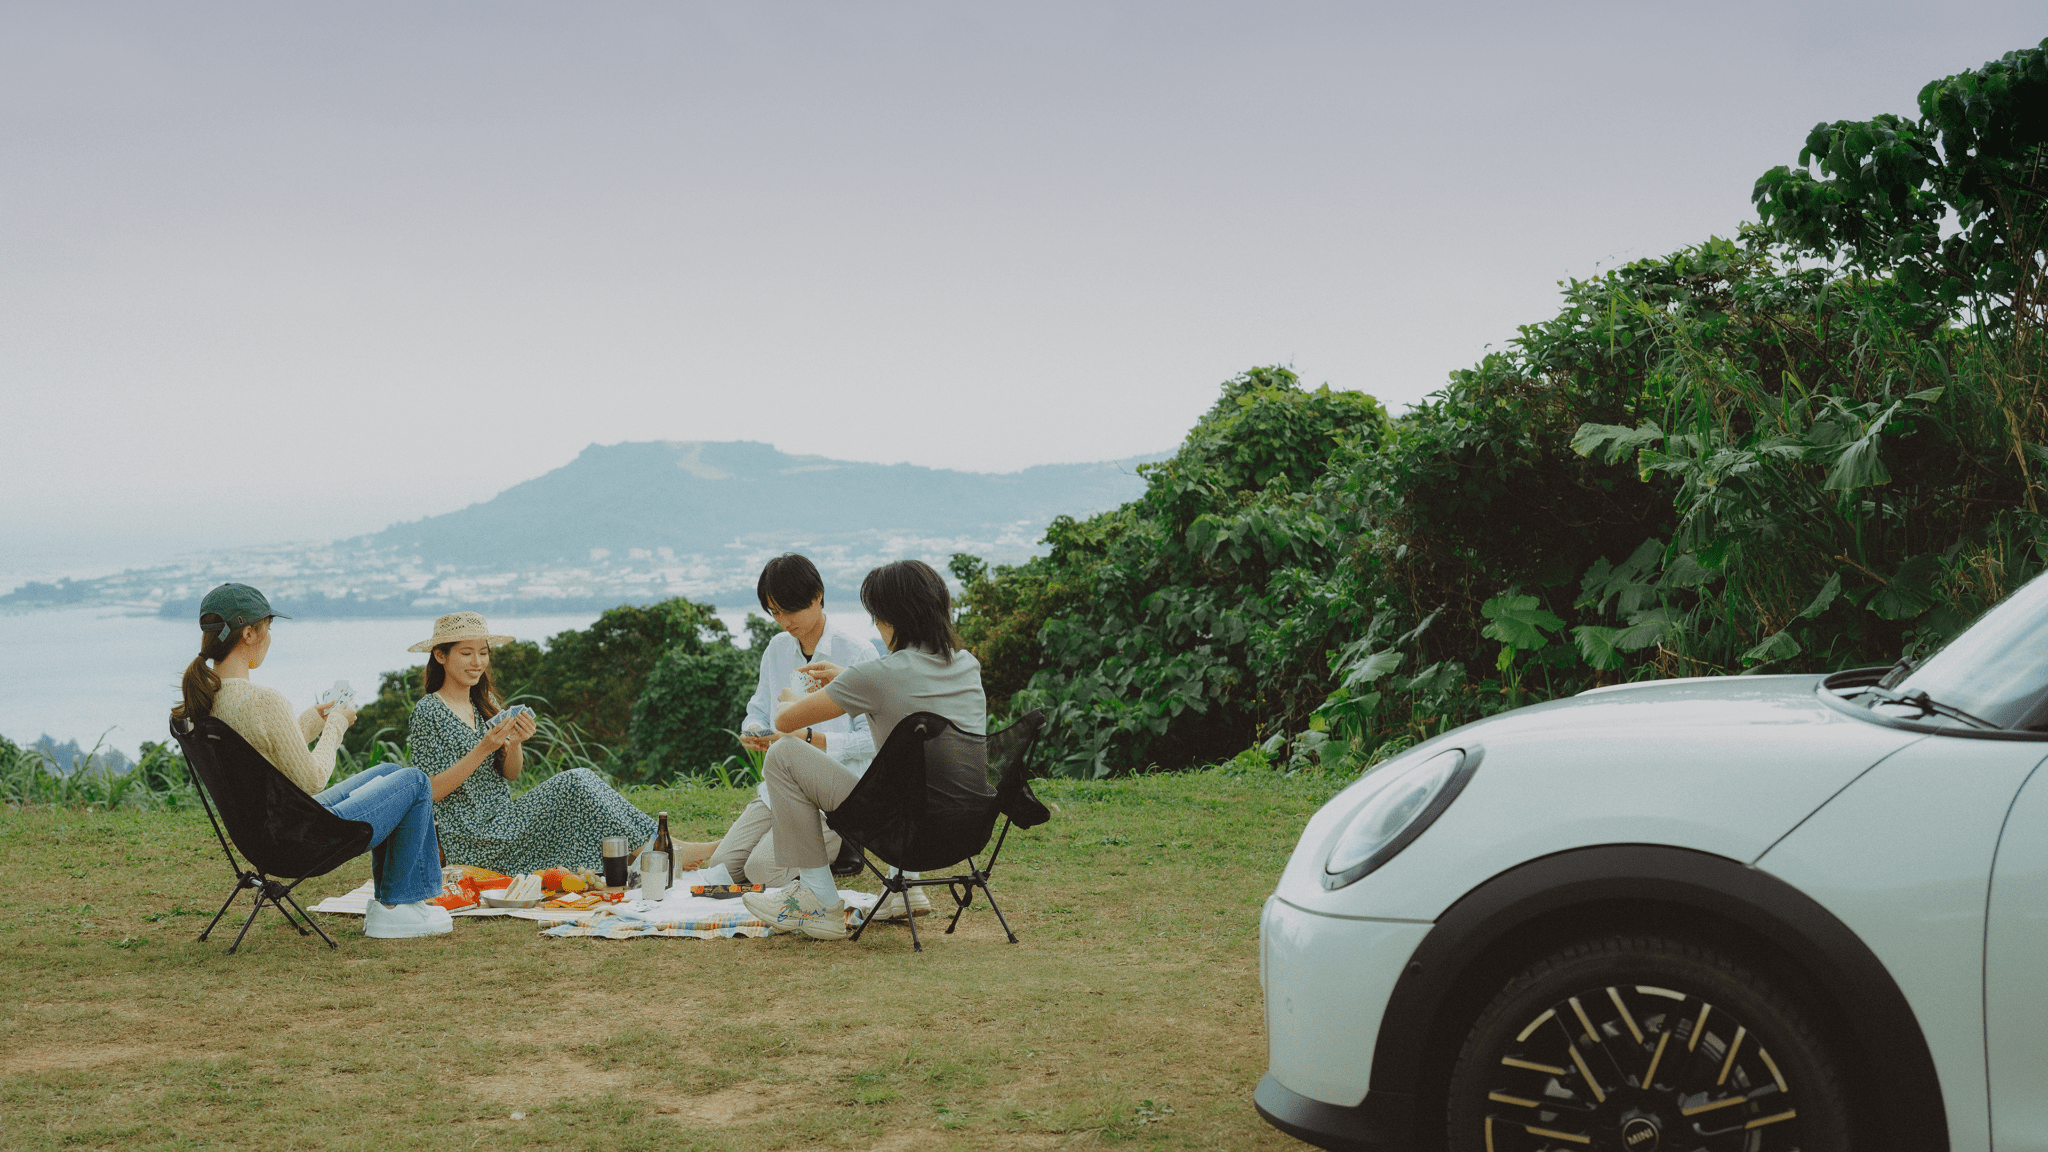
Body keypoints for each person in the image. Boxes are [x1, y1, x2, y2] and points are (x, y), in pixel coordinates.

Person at [171, 583, 452, 940]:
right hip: (301, 840)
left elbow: (258, 756)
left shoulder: (208, 700)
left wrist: (311, 720)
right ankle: (397, 907)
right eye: (268, 629)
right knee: (413, 781)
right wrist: (336, 725)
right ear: (248, 633)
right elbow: (312, 779)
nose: (269, 638)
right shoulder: (263, 700)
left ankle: (397, 902)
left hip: (262, 835)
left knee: (389, 772)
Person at [740, 559, 988, 940]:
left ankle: (819, 899)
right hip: (967, 828)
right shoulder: (967, 665)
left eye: (876, 616)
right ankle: (907, 883)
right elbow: (897, 688)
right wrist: (848, 680)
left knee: (783, 755)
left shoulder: (877, 675)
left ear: (892, 618)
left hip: (902, 832)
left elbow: (787, 722)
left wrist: (799, 692)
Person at [671, 554, 882, 888]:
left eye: (790, 610)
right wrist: (753, 731)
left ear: (817, 596)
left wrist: (812, 738)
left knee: (762, 870)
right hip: (779, 789)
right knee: (724, 866)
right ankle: (788, 843)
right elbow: (757, 709)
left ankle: (846, 845)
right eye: (775, 612)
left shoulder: (856, 653)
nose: (784, 621)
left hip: (834, 796)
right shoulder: (778, 649)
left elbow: (875, 739)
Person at [406, 611, 658, 875]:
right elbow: (431, 791)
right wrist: (483, 749)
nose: (477, 662)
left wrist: (515, 743)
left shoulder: (484, 700)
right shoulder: (429, 712)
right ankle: (659, 851)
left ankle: (657, 847)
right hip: (474, 839)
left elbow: (511, 775)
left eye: (483, 652)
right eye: (466, 653)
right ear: (440, 656)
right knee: (576, 782)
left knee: (582, 786)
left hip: (506, 818)